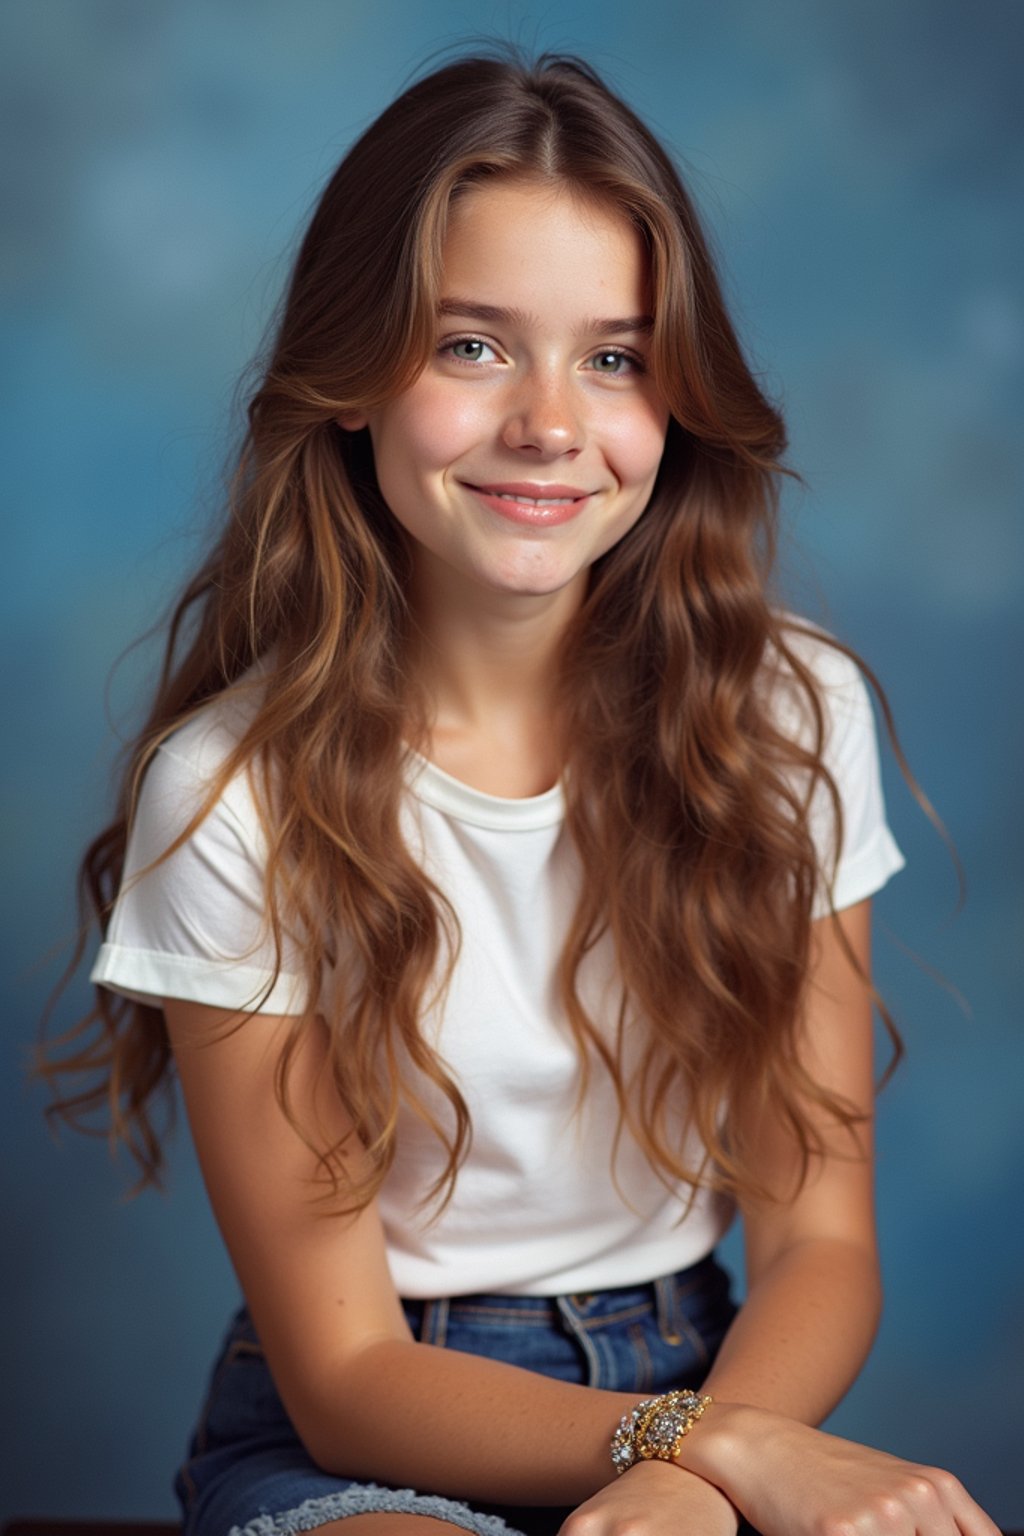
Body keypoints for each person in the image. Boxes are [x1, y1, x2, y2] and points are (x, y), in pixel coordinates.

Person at [43, 49, 998, 1536]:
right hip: (374, 1425)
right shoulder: (228, 791)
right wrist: (708, 1456)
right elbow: (348, 1367)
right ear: (350, 381)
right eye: (473, 347)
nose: (552, 423)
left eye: (614, 357)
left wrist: (708, 1454)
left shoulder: (784, 711)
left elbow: (820, 1235)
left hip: (718, 1367)